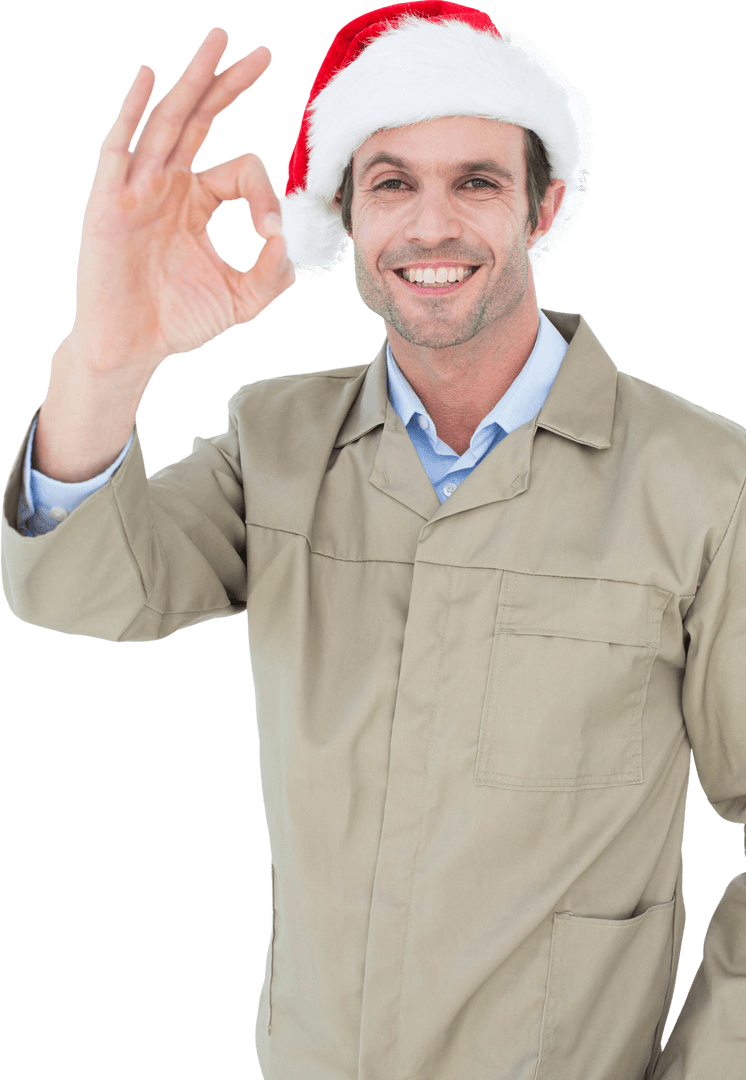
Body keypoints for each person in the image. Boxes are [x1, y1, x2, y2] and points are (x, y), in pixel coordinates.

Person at [2, 3, 744, 1077]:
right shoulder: (277, 441)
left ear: (547, 202)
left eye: (475, 181)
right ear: (343, 213)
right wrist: (108, 358)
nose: (430, 226)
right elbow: (79, 591)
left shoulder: (703, 481)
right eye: (391, 182)